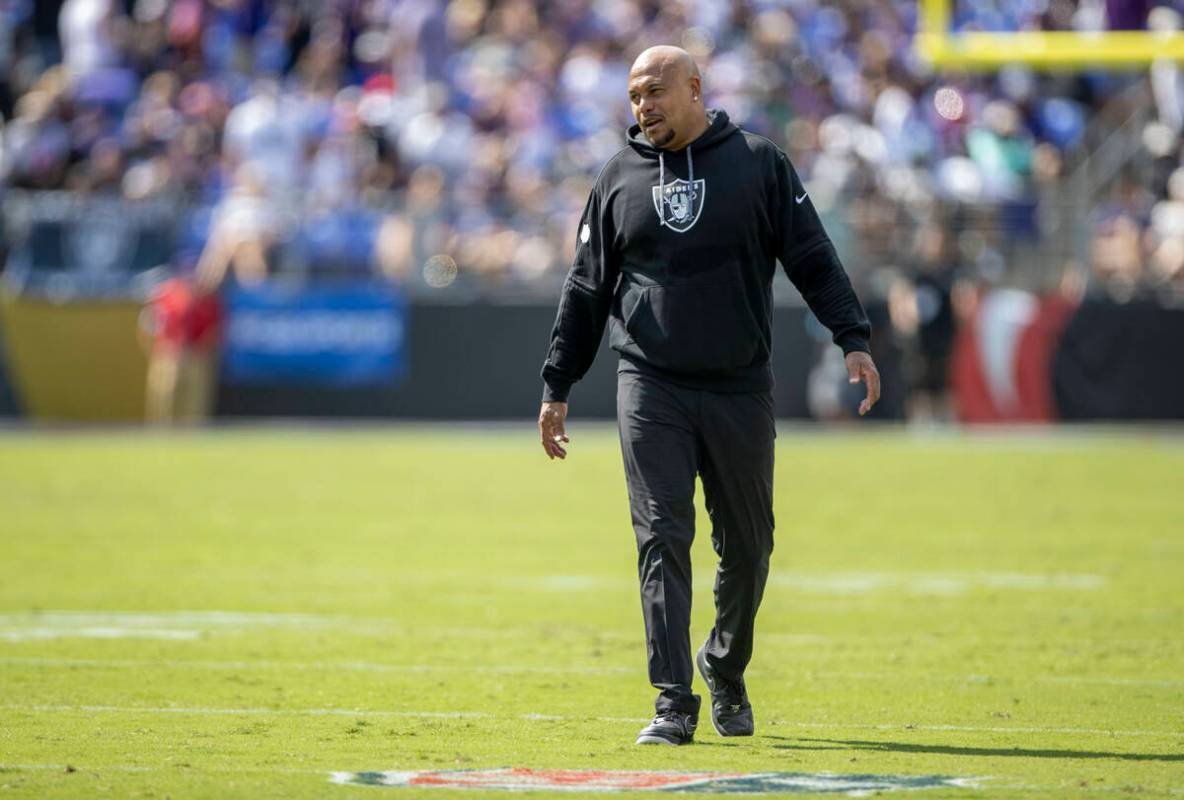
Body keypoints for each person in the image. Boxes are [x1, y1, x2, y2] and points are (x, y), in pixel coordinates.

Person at [536, 46, 881, 746]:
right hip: (649, 383)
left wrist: (853, 335)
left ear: (695, 88)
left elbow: (811, 254)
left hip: (738, 386)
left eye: (656, 91)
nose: (644, 106)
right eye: (634, 95)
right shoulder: (616, 177)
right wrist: (557, 385)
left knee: (750, 546)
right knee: (662, 533)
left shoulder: (759, 163)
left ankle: (724, 666)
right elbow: (585, 289)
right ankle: (672, 700)